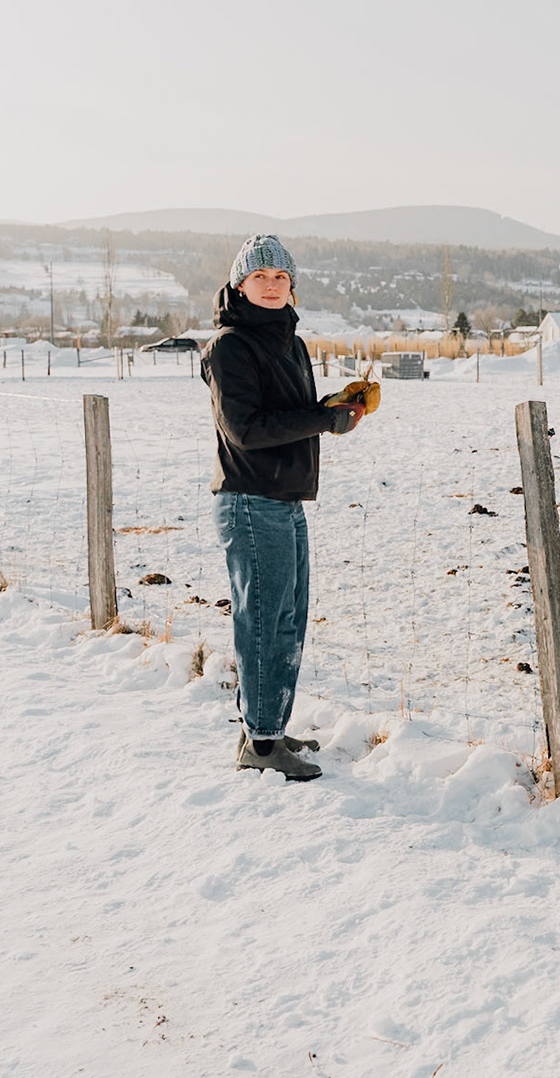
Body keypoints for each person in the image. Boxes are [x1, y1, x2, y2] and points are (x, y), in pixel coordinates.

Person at [201, 235, 367, 781]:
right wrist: (322, 421)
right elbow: (246, 430)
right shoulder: (229, 346)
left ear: (291, 286)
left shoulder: (289, 343)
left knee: (287, 620)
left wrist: (332, 408)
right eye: (260, 277)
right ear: (239, 284)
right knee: (263, 623)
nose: (271, 286)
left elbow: (291, 413)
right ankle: (261, 745)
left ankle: (266, 727)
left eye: (280, 278)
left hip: (286, 498)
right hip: (251, 500)